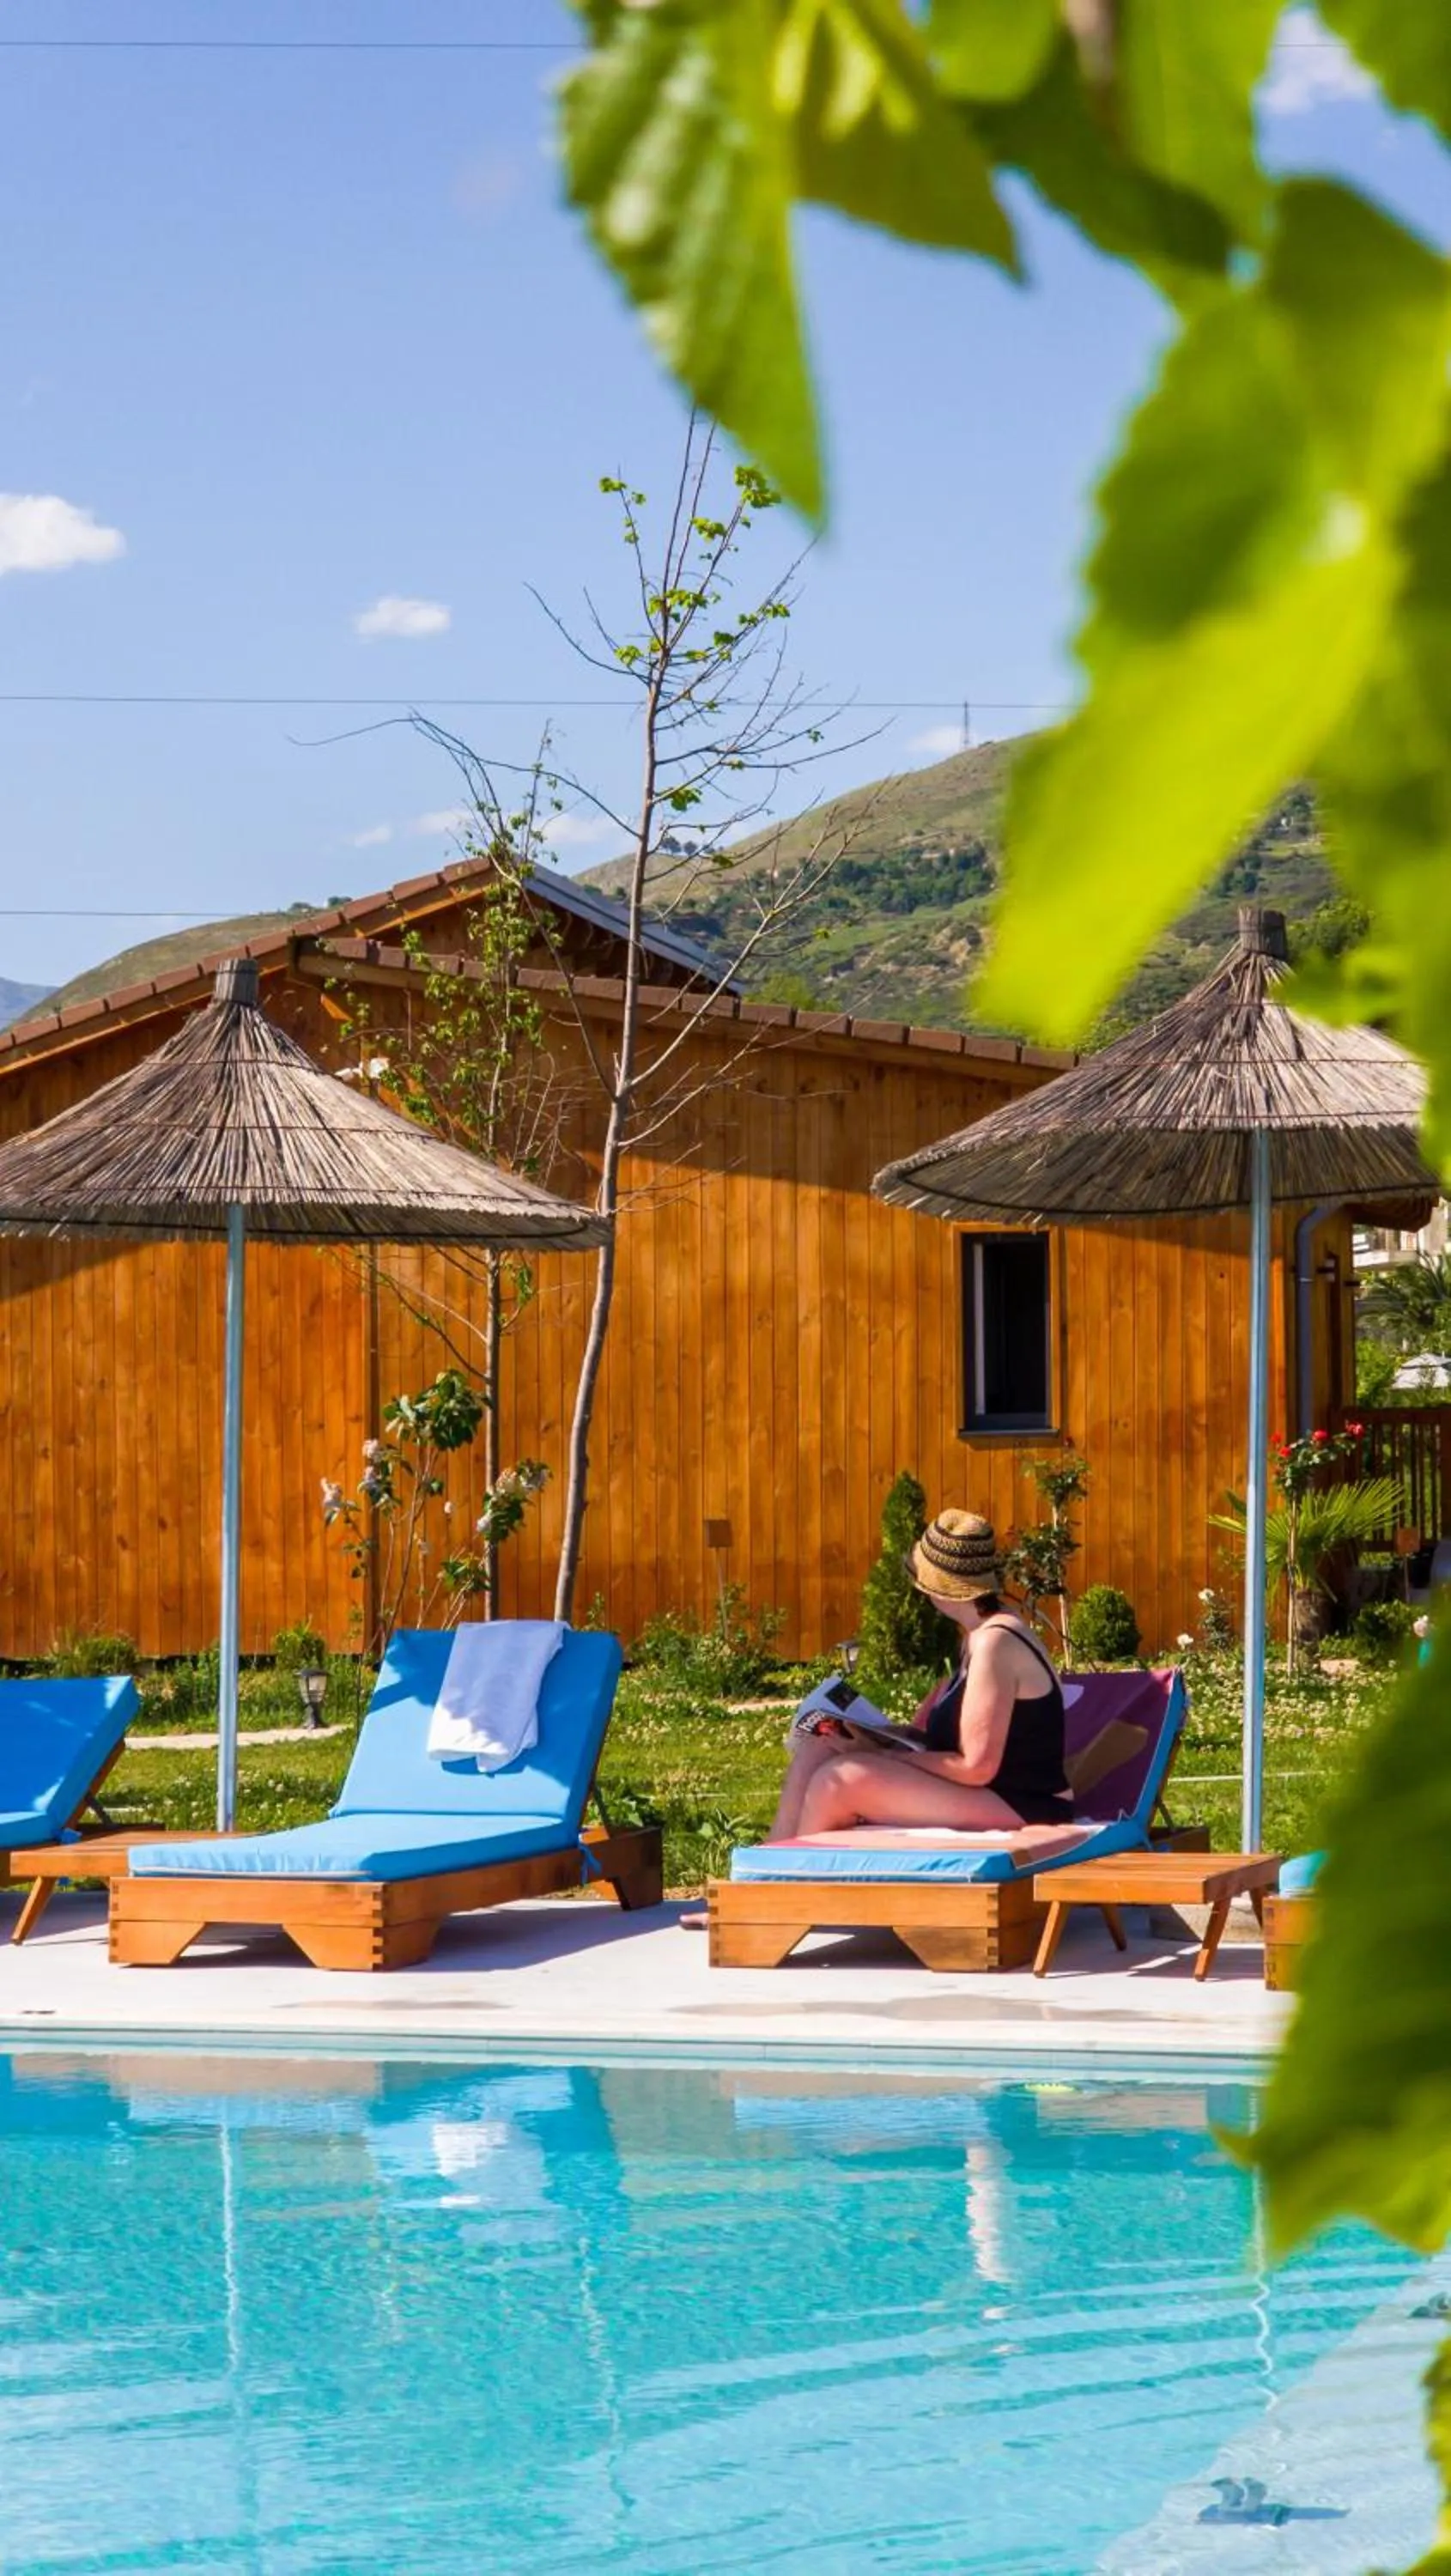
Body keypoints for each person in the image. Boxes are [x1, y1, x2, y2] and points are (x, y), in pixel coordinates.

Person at [680, 1508, 1072, 1924]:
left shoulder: (996, 1644)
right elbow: (953, 1742)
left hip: (1023, 1804)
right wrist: (883, 1735)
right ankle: (752, 1891)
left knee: (841, 1780)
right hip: (988, 1792)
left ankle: (783, 1906)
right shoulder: (977, 1638)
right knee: (820, 1749)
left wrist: (882, 1756)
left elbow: (976, 1767)